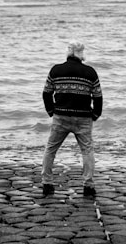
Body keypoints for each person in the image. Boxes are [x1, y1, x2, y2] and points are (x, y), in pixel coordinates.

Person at [41, 41, 103, 197]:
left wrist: (51, 111)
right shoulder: (90, 72)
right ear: (81, 54)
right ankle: (88, 186)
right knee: (87, 151)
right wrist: (95, 115)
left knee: (51, 150)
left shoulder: (56, 70)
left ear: (68, 52)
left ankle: (47, 184)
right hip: (83, 118)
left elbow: (46, 93)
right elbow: (98, 97)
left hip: (60, 117)